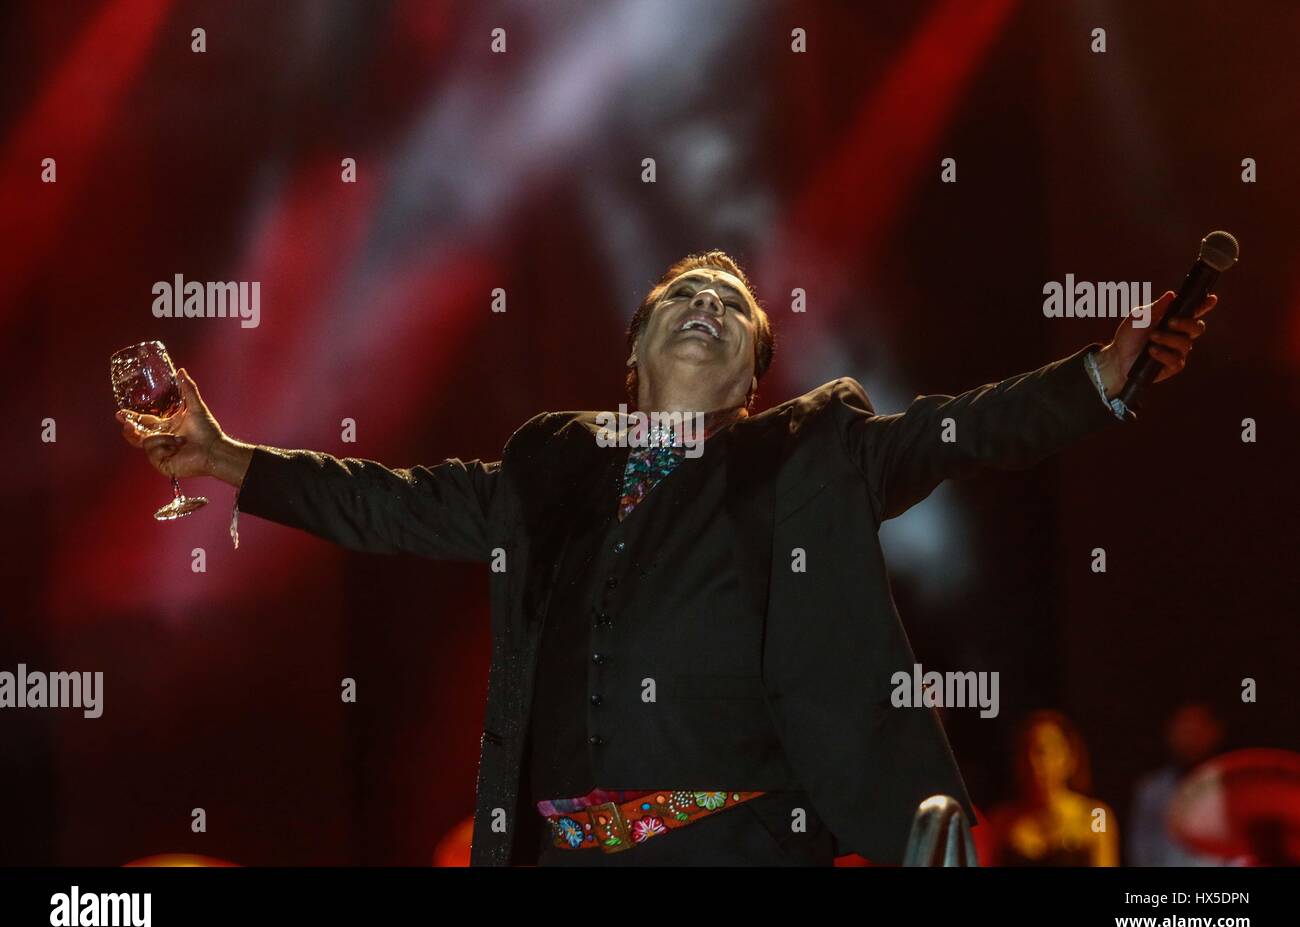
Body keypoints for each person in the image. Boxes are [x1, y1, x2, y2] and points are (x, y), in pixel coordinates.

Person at [116, 250, 1213, 865]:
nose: (705, 306)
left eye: (730, 306)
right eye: (680, 298)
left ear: (752, 373)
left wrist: (1098, 377)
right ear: (633, 359)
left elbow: (959, 426)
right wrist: (228, 458)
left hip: (732, 849)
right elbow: (392, 502)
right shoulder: (551, 468)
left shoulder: (807, 454)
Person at [987, 710, 1119, 866]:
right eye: (1025, 753)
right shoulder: (1002, 821)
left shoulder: (1097, 816)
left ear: (1070, 757)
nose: (1034, 764)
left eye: (1042, 752)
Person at [1128, 702, 1226, 866]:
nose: (1189, 739)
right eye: (1184, 731)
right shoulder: (1152, 790)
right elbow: (1141, 850)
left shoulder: (1231, 788)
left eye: (1196, 730)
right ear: (1169, 734)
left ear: (1214, 732)